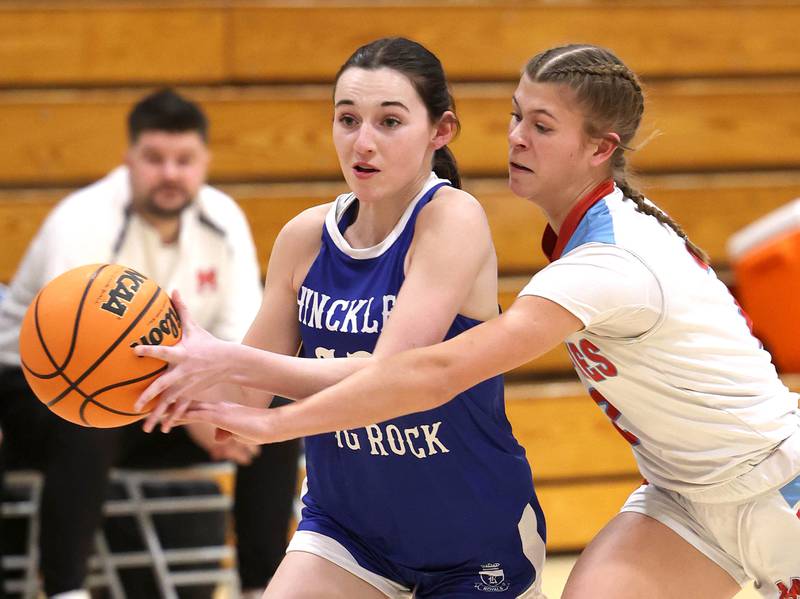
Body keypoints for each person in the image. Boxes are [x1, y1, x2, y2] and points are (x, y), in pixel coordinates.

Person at [140, 44, 800, 598]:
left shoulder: (605, 257)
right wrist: (149, 376)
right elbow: (234, 404)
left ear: (600, 148)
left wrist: (271, 414)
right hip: (681, 498)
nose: (515, 136)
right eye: (517, 116)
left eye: (541, 126)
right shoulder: (579, 238)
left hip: (778, 486)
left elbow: (427, 372)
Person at [137, 37, 548, 599]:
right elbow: (234, 413)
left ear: (441, 130)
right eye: (348, 119)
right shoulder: (304, 237)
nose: (364, 142)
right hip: (347, 533)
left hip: (472, 536)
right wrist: (158, 376)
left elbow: (391, 378)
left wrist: (231, 359)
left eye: (390, 122)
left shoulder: (452, 218)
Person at [0, 89, 300, 599]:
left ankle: (261, 587)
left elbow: (240, 343)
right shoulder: (83, 220)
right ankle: (65, 590)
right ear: (129, 160)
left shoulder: (223, 221)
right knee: (87, 416)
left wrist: (220, 409)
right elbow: (82, 363)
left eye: (184, 161)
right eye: (155, 159)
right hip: (38, 392)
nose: (170, 174)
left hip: (158, 397)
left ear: (204, 161)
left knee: (270, 412)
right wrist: (200, 409)